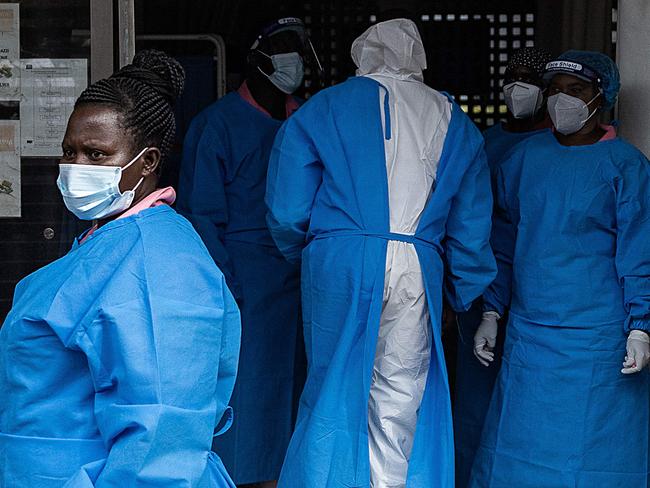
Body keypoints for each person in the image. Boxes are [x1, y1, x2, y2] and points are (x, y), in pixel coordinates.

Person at [265, 19, 496, 488]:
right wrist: (460, 292)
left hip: (342, 258)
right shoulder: (454, 118)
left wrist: (310, 255)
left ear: (362, 55)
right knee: (400, 392)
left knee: (332, 389)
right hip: (417, 261)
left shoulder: (321, 109)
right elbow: (471, 225)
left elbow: (287, 208)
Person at [0, 50, 241, 487]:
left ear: (147, 162)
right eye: (69, 152)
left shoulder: (160, 263)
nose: (75, 168)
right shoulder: (107, 242)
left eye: (96, 154)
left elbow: (160, 439)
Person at [470, 50, 650, 487]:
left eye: (576, 91)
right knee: (518, 453)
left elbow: (639, 252)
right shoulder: (522, 160)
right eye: (555, 90)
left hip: (599, 340)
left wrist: (640, 327)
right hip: (531, 336)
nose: (560, 99)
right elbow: (504, 242)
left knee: (597, 455)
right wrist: (492, 311)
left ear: (602, 97)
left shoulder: (625, 167)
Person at [177, 17, 318, 487]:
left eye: (298, 48)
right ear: (256, 58)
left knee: (302, 386)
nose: (291, 59)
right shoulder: (217, 125)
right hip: (245, 281)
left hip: (304, 274)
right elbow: (201, 215)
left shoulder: (311, 121)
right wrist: (227, 284)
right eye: (281, 48)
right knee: (248, 389)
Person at [453, 46, 552, 488]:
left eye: (529, 78)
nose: (518, 86)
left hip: (542, 297)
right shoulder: (482, 142)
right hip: (480, 287)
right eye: (512, 76)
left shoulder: (564, 151)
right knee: (475, 402)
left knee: (532, 406)